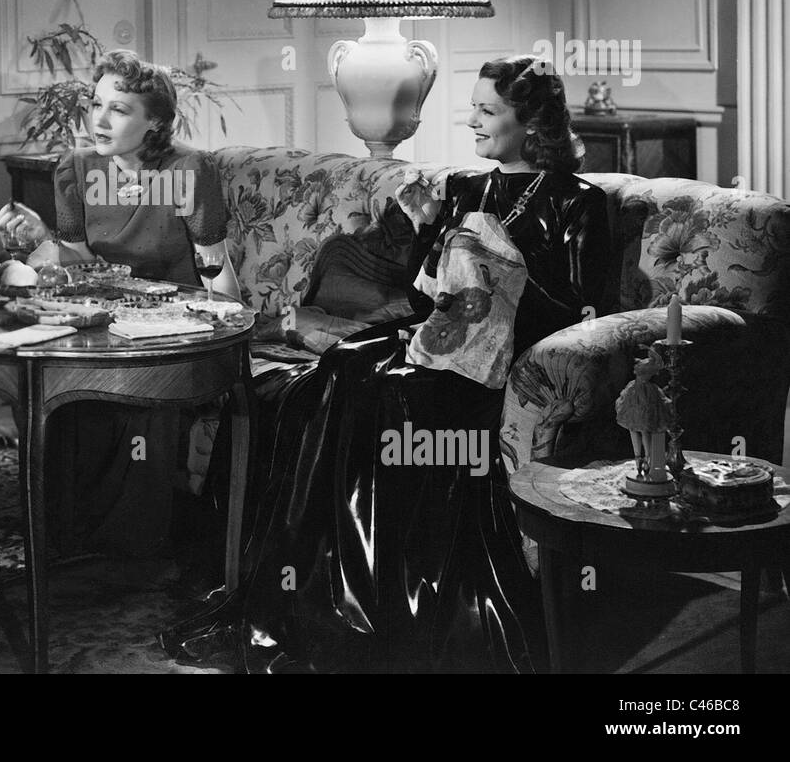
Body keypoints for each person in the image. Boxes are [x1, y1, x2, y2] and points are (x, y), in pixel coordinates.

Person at [162, 55, 611, 673]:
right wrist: (429, 231)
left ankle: (363, 613)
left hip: (501, 364)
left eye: (486, 111)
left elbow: (584, 311)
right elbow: (431, 293)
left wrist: (508, 265)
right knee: (342, 366)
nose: (472, 121)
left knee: (389, 392)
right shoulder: (465, 188)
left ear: (531, 125)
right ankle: (309, 600)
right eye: (473, 108)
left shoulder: (580, 204)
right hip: (438, 339)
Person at [0, 51, 239, 556]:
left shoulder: (189, 171)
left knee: (137, 408)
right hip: (105, 325)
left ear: (155, 122)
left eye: (121, 109)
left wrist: (220, 331)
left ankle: (129, 553)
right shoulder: (77, 169)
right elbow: (81, 271)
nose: (99, 120)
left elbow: (219, 281)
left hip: (175, 334)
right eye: (97, 103)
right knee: (60, 398)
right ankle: (64, 540)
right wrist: (43, 238)